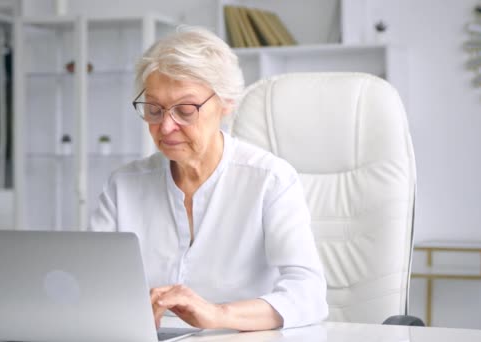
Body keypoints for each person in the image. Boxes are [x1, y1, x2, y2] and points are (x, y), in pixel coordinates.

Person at [89, 26, 328, 331]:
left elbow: (308, 293)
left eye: (185, 110)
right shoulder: (123, 186)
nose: (165, 127)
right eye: (154, 109)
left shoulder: (270, 180)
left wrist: (218, 315)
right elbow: (91, 284)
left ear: (226, 103)